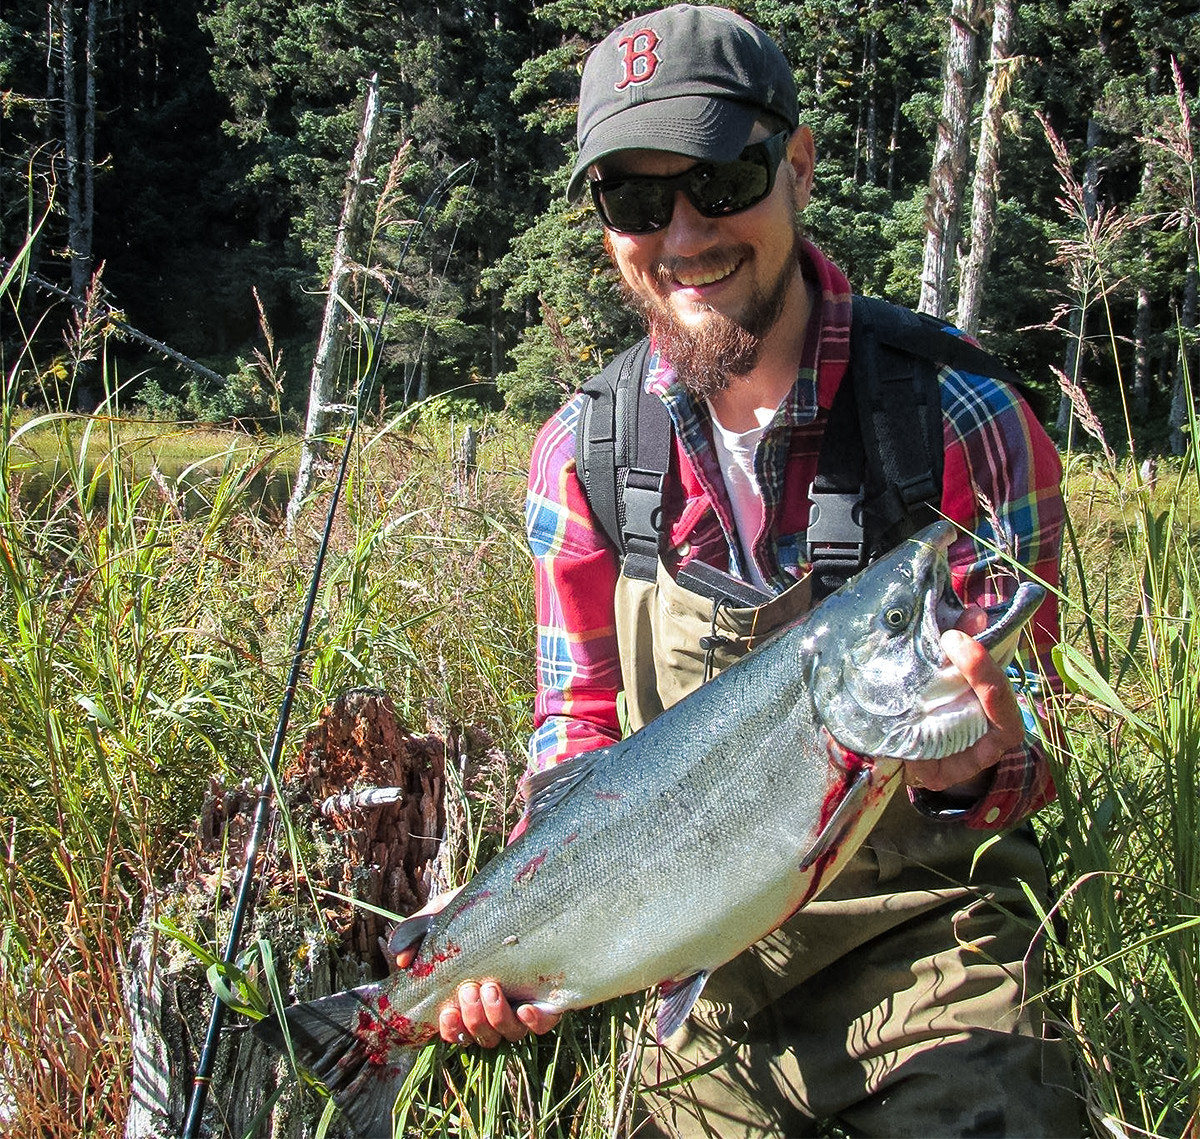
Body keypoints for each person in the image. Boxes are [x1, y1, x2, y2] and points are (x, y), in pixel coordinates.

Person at [400, 6, 1080, 1135]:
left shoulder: (961, 422)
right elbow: (573, 738)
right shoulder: (584, 458)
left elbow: (1032, 750)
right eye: (634, 197)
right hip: (696, 981)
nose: (682, 234)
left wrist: (979, 765)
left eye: (722, 179)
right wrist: (500, 941)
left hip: (935, 952)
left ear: (797, 167)